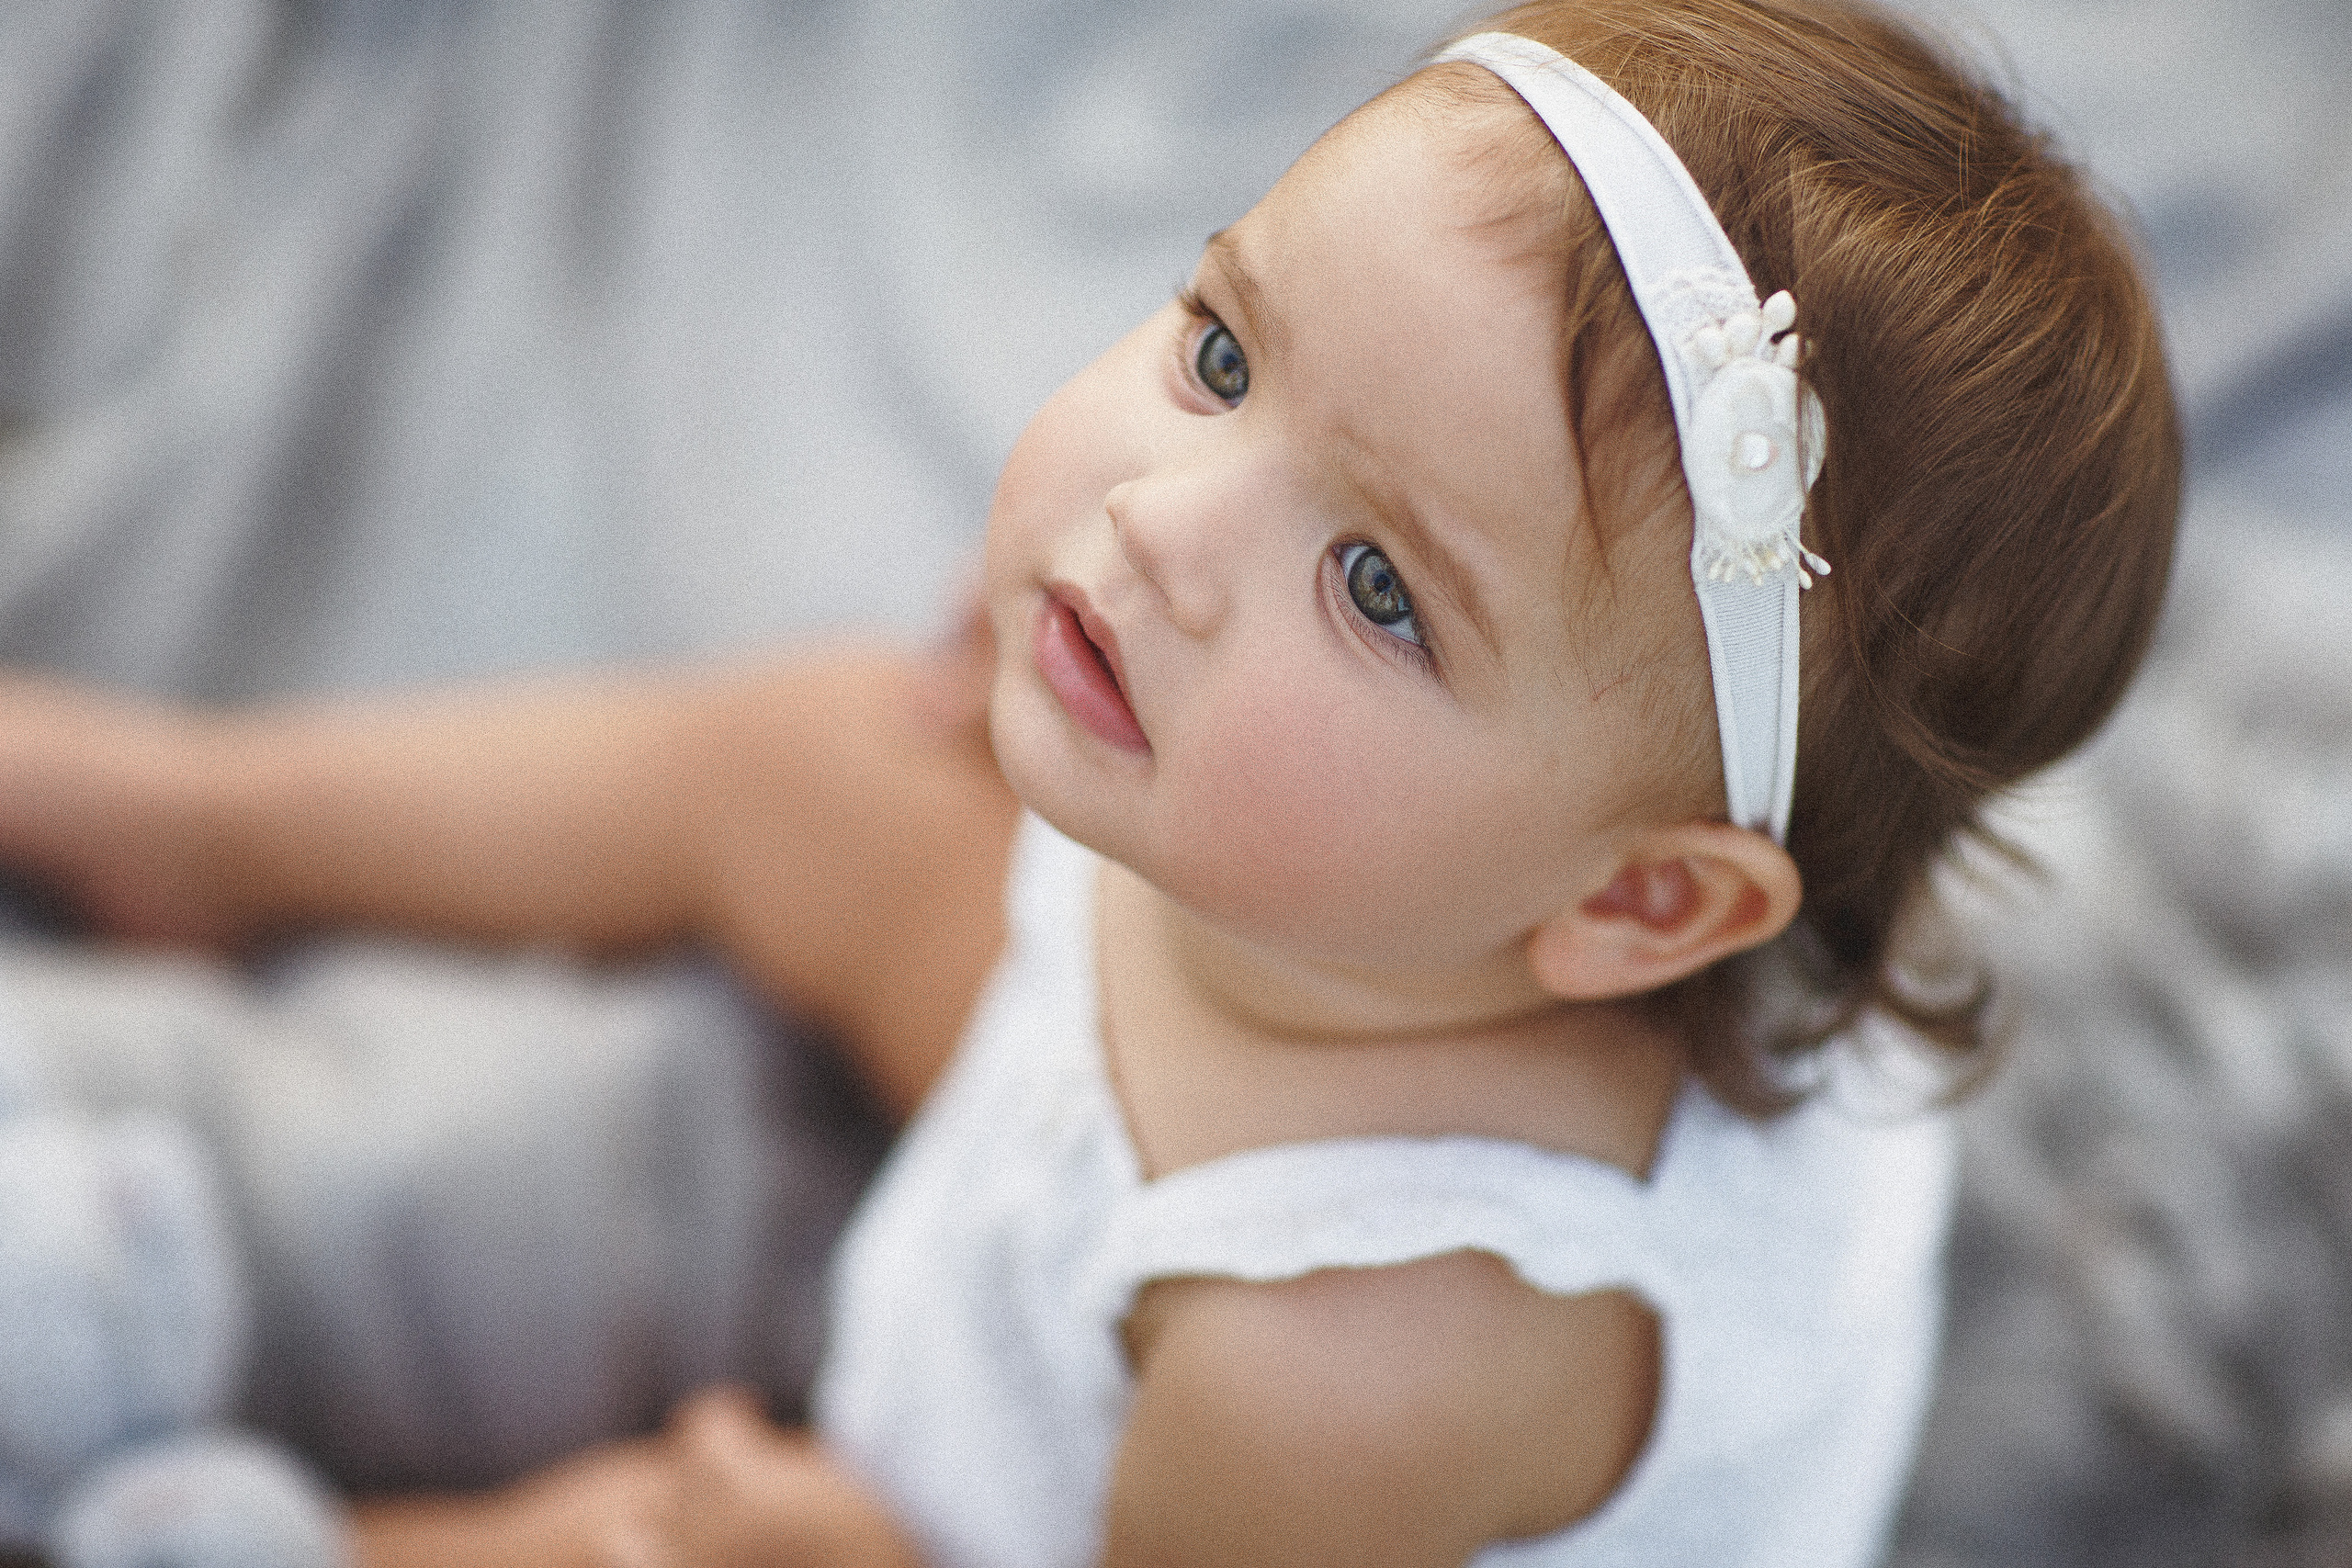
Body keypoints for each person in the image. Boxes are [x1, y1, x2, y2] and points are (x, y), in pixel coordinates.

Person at [0, 0, 2178, 1562]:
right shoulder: (1381, 836)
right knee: (821, 759)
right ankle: (201, 818)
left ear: (1629, 903)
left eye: (1375, 587)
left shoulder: (1355, 1358)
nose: (1152, 523)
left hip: (1095, 1472)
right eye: (1221, 353)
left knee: (665, 1538)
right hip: (1241, 997)